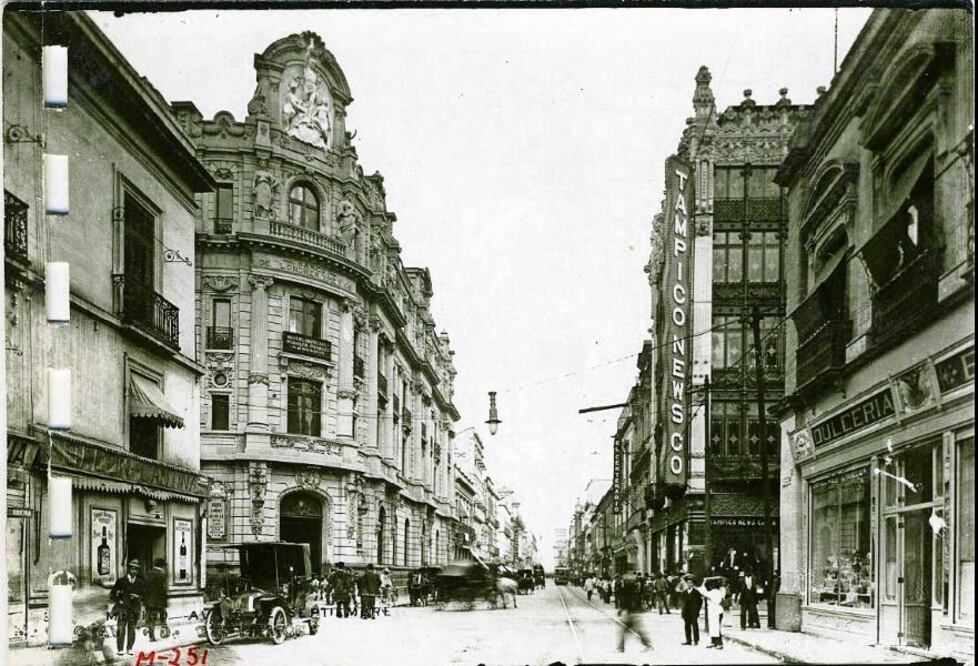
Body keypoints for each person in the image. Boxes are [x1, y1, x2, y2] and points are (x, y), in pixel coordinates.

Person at [110, 560, 144, 657]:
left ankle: (129, 648)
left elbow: (144, 595)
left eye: (136, 569)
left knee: (131, 629)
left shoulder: (140, 582)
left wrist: (137, 597)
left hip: (134, 609)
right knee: (121, 628)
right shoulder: (121, 581)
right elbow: (112, 594)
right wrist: (118, 600)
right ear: (129, 569)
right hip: (122, 609)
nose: (135, 571)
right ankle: (120, 649)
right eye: (133, 568)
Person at [616, 573, 653, 653]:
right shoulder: (635, 591)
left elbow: (628, 602)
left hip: (632, 614)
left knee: (629, 631)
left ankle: (621, 648)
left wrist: (623, 610)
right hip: (633, 613)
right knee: (636, 631)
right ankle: (648, 645)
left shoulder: (629, 591)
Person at [696, 578, 727, 649]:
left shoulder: (715, 592)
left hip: (716, 611)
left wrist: (703, 583)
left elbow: (703, 592)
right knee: (713, 627)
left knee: (716, 627)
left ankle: (719, 643)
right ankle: (713, 642)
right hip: (714, 611)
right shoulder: (717, 591)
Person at [144, 558, 168, 642]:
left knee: (150, 619)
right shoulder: (162, 575)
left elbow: (145, 587)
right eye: (164, 566)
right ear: (161, 565)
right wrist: (165, 601)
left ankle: (151, 635)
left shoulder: (148, 573)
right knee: (162, 618)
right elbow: (162, 589)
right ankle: (163, 633)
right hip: (158, 601)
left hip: (149, 601)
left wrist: (145, 600)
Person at [678, 575, 703, 646]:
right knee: (687, 626)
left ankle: (696, 640)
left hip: (694, 612)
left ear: (693, 584)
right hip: (686, 612)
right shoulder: (684, 592)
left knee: (695, 626)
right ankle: (688, 640)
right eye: (688, 583)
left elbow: (700, 602)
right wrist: (682, 611)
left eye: (690, 583)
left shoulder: (696, 592)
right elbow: (682, 603)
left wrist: (697, 610)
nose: (689, 584)